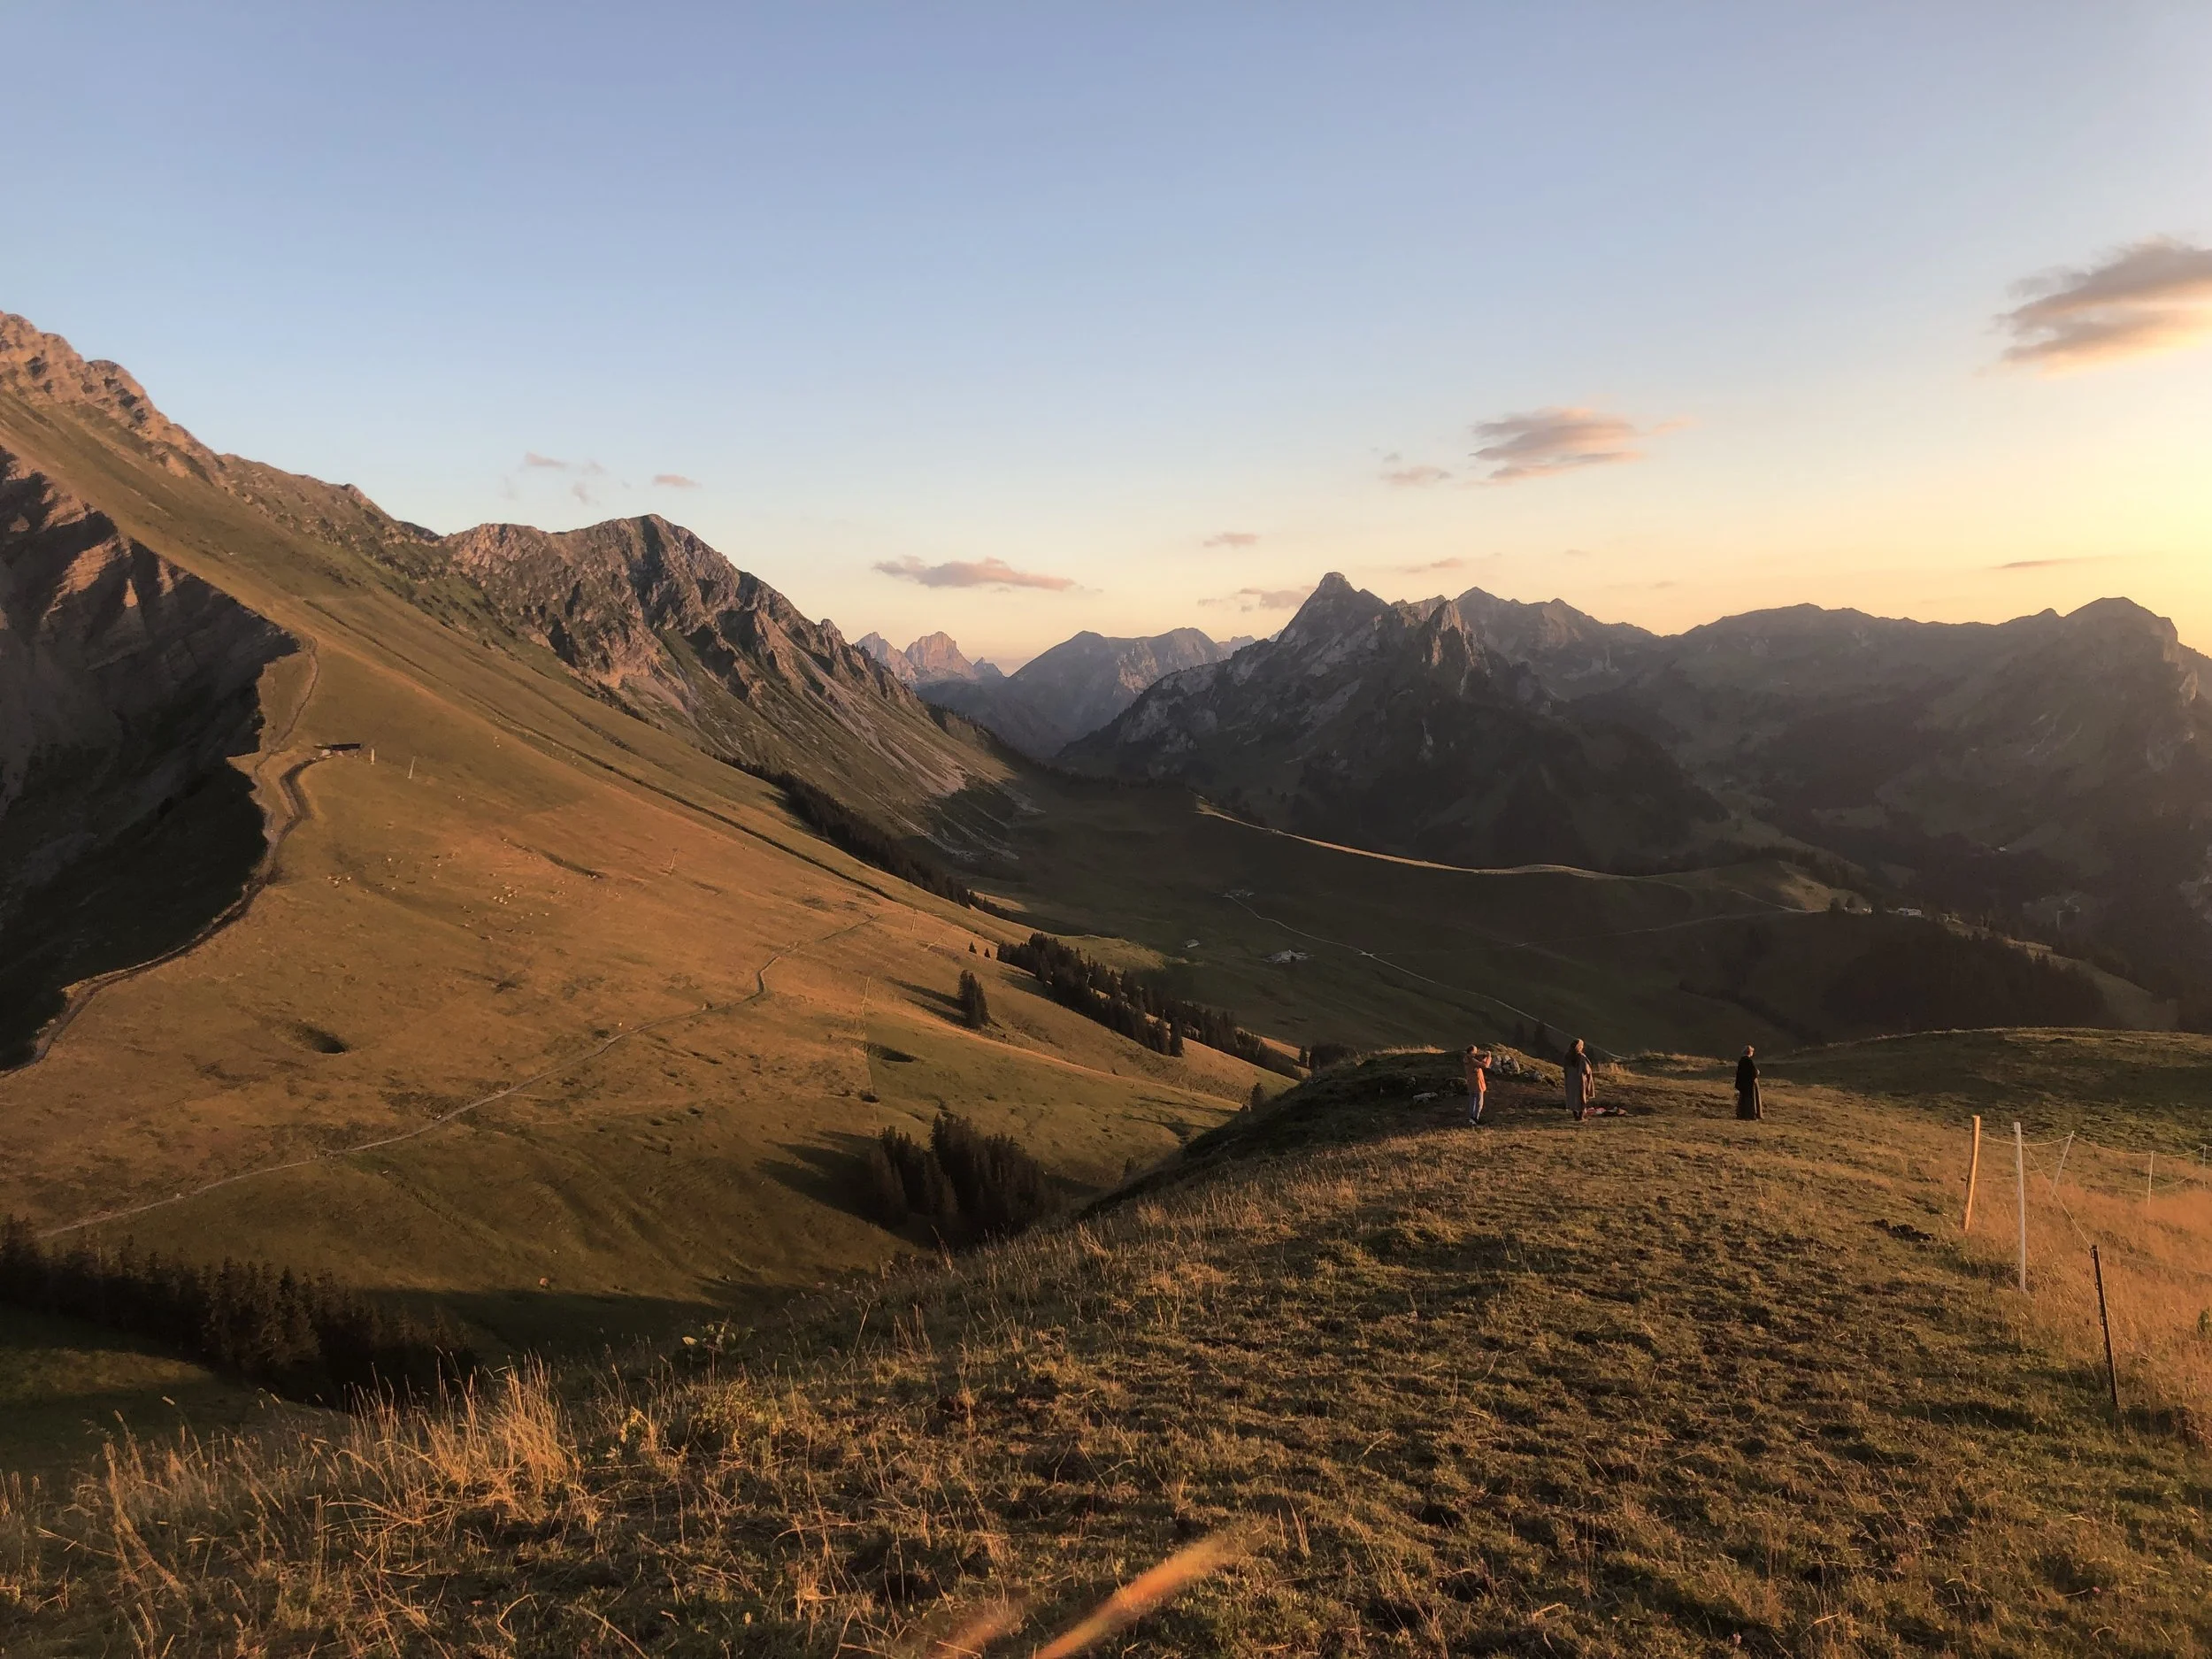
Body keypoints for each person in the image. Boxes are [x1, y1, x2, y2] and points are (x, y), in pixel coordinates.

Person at [1563, 1039, 1595, 1120]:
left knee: (1572, 1097)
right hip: (1580, 1080)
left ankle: (1575, 1115)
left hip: (1570, 1080)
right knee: (1581, 1097)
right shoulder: (1581, 1057)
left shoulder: (1567, 1056)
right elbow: (1587, 1069)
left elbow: (1565, 1068)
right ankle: (1580, 1116)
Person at [1735, 1045, 1763, 1121]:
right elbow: (1753, 1072)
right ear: (1750, 1052)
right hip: (1750, 1085)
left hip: (1743, 1084)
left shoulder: (1742, 1061)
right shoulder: (1748, 1061)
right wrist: (1757, 1072)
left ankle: (1742, 1114)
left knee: (1743, 1099)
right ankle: (1751, 1115)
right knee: (1751, 1100)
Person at [1463, 1045, 1489, 1125]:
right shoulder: (1472, 1060)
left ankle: (1472, 1117)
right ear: (1471, 1052)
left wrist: (1483, 1058)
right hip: (1478, 1084)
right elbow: (1485, 1065)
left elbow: (1479, 1064)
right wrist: (1489, 1057)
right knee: (1479, 1102)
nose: (1476, 1053)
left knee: (1472, 1101)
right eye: (1475, 1052)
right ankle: (1476, 1118)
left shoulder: (1466, 1060)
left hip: (1471, 1084)